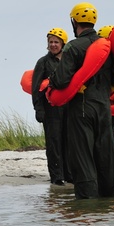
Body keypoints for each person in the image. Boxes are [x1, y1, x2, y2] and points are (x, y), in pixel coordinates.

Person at [49, 2, 114, 199]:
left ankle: (87, 205)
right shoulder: (106, 46)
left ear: (74, 22)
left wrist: (51, 82)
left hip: (81, 108)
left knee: (82, 156)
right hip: (104, 107)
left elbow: (62, 80)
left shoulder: (73, 47)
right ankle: (109, 200)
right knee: (105, 153)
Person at [32, 27, 71, 185]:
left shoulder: (69, 61)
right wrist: (38, 109)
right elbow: (36, 88)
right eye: (51, 42)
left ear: (63, 44)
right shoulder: (43, 62)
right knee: (54, 143)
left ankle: (69, 174)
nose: (53, 45)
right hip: (51, 110)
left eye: (56, 42)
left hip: (69, 109)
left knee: (69, 143)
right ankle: (56, 177)